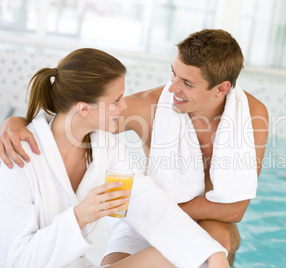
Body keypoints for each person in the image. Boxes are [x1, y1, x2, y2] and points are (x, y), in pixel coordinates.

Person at [0, 29, 269, 266]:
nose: (172, 87)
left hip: (169, 218)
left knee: (214, 244)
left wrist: (212, 254)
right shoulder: (18, 157)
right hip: (148, 220)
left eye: (187, 83)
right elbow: (75, 116)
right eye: (173, 73)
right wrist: (15, 121)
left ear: (221, 89)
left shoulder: (249, 116)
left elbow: (232, 209)